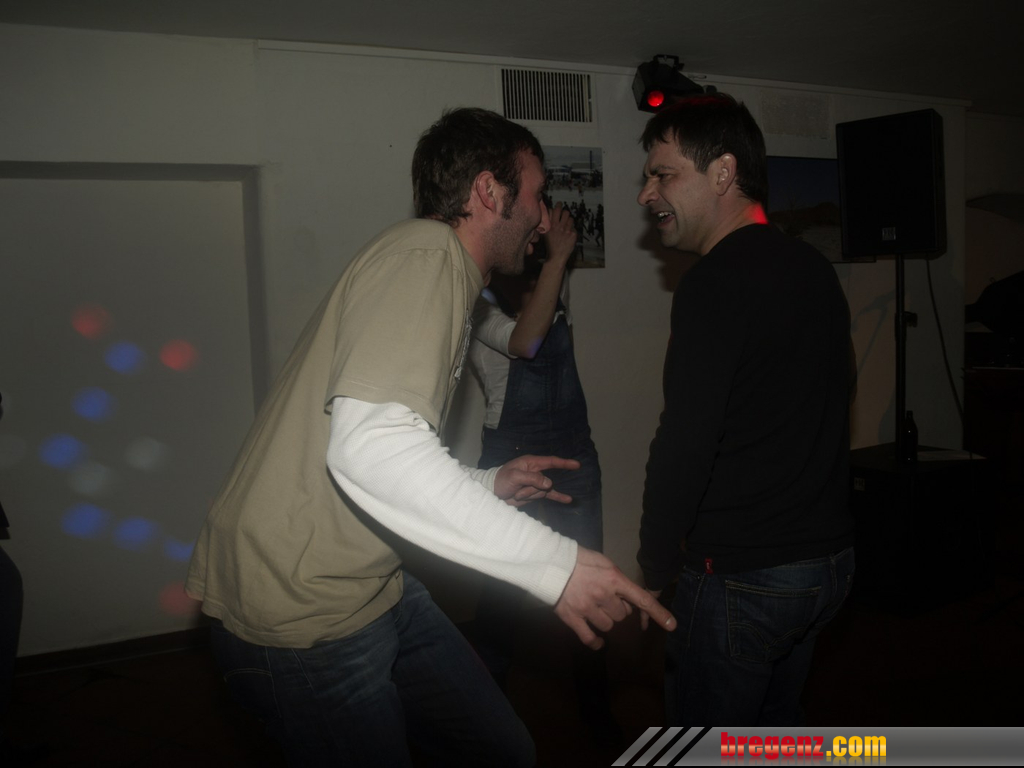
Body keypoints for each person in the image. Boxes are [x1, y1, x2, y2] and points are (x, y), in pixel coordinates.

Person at [186, 107, 675, 768]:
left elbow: (379, 444)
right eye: (535, 196)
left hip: (377, 586)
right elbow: (371, 448)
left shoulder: (440, 272)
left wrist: (487, 481)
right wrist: (556, 568)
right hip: (306, 613)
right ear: (488, 192)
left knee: (502, 751)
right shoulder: (427, 254)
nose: (542, 218)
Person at [635, 94, 855, 726]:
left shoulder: (712, 284)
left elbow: (685, 441)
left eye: (663, 174)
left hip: (745, 576)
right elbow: (833, 395)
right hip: (827, 566)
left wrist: (653, 566)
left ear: (723, 173)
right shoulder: (813, 268)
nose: (647, 194)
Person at [468, 202, 617, 740]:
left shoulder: (550, 283)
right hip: (510, 459)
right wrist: (557, 261)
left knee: (589, 582)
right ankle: (489, 721)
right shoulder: (478, 306)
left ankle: (597, 712)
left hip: (574, 453)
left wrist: (552, 246)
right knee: (502, 596)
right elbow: (526, 342)